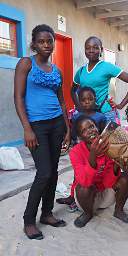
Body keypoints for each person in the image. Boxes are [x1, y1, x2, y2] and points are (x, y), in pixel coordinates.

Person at [14, 24, 71, 240]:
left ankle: (47, 213)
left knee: (54, 171)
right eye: (41, 41)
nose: (46, 45)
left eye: (49, 41)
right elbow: (18, 97)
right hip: (36, 126)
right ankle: (29, 220)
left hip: (57, 124)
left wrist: (67, 128)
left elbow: (61, 100)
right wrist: (27, 128)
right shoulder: (26, 64)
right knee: (44, 173)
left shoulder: (56, 70)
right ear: (34, 43)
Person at [69, 115, 128, 228]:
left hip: (105, 196)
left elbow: (108, 183)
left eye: (91, 126)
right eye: (84, 130)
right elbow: (84, 181)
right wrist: (93, 156)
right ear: (80, 137)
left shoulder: (108, 145)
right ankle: (88, 213)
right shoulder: (75, 152)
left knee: (125, 178)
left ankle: (118, 211)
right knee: (83, 187)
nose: (90, 131)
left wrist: (116, 162)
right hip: (86, 200)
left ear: (97, 127)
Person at [56, 87, 107, 207]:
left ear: (95, 99)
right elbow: (74, 133)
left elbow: (104, 134)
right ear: (79, 101)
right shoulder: (76, 116)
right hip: (81, 151)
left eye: (90, 99)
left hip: (96, 150)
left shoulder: (100, 117)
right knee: (78, 175)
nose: (87, 102)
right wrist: (73, 144)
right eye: (83, 100)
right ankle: (72, 196)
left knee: (95, 172)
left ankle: (93, 194)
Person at [71, 36, 128, 122]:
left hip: (107, 114)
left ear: (101, 50)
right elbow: (73, 91)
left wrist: (121, 105)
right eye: (88, 48)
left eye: (95, 48)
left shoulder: (107, 67)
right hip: (88, 115)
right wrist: (79, 107)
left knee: (111, 136)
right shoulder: (81, 71)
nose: (91, 50)